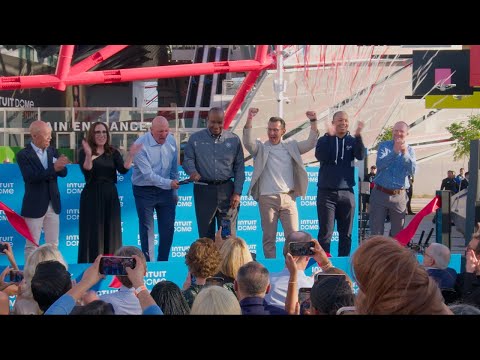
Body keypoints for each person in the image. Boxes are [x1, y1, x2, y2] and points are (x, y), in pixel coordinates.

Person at [242, 108, 318, 258]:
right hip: (267, 199)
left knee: (294, 239)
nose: (272, 133)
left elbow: (310, 143)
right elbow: (248, 143)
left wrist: (313, 121)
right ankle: (271, 271)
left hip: (288, 198)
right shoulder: (261, 148)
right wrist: (250, 118)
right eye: (269, 130)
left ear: (283, 130)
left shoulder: (291, 146)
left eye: (275, 130)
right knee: (269, 239)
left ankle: (291, 271)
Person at [78, 122, 142, 263]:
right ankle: (91, 265)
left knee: (111, 230)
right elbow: (87, 170)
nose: (101, 135)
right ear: (92, 135)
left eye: (104, 132)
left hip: (110, 195)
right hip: (92, 196)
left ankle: (112, 264)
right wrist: (89, 155)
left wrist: (131, 155)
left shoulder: (113, 152)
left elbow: (123, 169)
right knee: (92, 232)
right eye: (97, 132)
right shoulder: (84, 152)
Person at [183, 107, 245, 240]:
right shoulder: (195, 139)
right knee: (206, 237)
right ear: (207, 121)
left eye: (219, 122)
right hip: (204, 191)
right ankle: (208, 261)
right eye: (212, 122)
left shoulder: (234, 140)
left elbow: (240, 167)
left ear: (224, 121)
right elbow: (187, 159)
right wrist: (192, 171)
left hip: (227, 192)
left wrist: (237, 193)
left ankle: (227, 261)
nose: (216, 126)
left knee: (227, 235)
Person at [16, 120, 69, 262]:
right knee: (31, 245)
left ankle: (54, 276)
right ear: (34, 136)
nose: (50, 138)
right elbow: (31, 177)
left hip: (53, 204)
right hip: (34, 205)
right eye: (47, 135)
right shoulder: (23, 155)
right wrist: (54, 168)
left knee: (53, 245)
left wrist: (61, 166)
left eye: (50, 135)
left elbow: (63, 173)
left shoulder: (53, 151)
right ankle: (30, 278)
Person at [315, 111, 365, 256]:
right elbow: (321, 155)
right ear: (333, 123)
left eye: (346, 120)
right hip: (326, 193)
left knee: (346, 233)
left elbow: (360, 155)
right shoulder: (324, 140)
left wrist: (358, 135)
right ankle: (324, 267)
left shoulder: (352, 140)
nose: (343, 123)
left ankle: (343, 265)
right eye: (340, 120)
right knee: (325, 233)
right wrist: (330, 137)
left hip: (347, 192)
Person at [131, 116, 179, 262]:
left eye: (166, 131)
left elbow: (173, 168)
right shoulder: (140, 145)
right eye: (159, 132)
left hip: (166, 191)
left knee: (168, 228)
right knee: (147, 230)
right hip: (144, 190)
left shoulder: (171, 140)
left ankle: (163, 262)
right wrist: (170, 184)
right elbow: (148, 176)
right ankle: (150, 265)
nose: (163, 134)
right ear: (151, 130)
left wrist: (174, 192)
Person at [369, 121, 416, 237]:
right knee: (376, 231)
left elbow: (413, 170)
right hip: (380, 193)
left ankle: (394, 255)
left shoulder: (410, 150)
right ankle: (376, 254)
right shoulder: (384, 146)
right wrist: (395, 151)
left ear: (407, 134)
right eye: (396, 130)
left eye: (402, 131)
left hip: (399, 195)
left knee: (398, 233)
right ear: (392, 132)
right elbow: (380, 164)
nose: (398, 133)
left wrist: (404, 154)